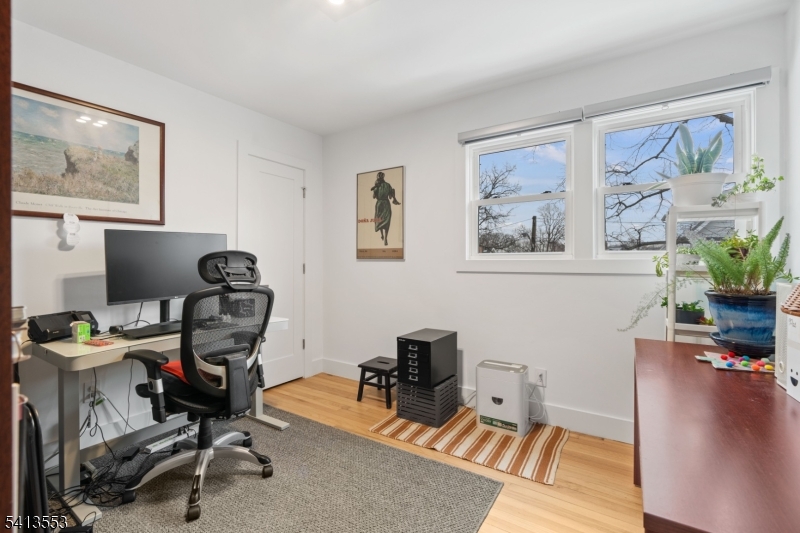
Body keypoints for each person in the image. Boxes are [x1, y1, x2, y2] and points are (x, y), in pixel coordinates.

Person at [370, 171, 400, 246]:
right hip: (386, 203)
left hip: (379, 204)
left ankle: (382, 235)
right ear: (383, 177)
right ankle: (385, 238)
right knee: (386, 221)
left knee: (379, 220)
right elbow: (390, 197)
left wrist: (375, 189)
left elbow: (374, 197)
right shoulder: (388, 185)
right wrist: (392, 193)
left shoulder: (377, 186)